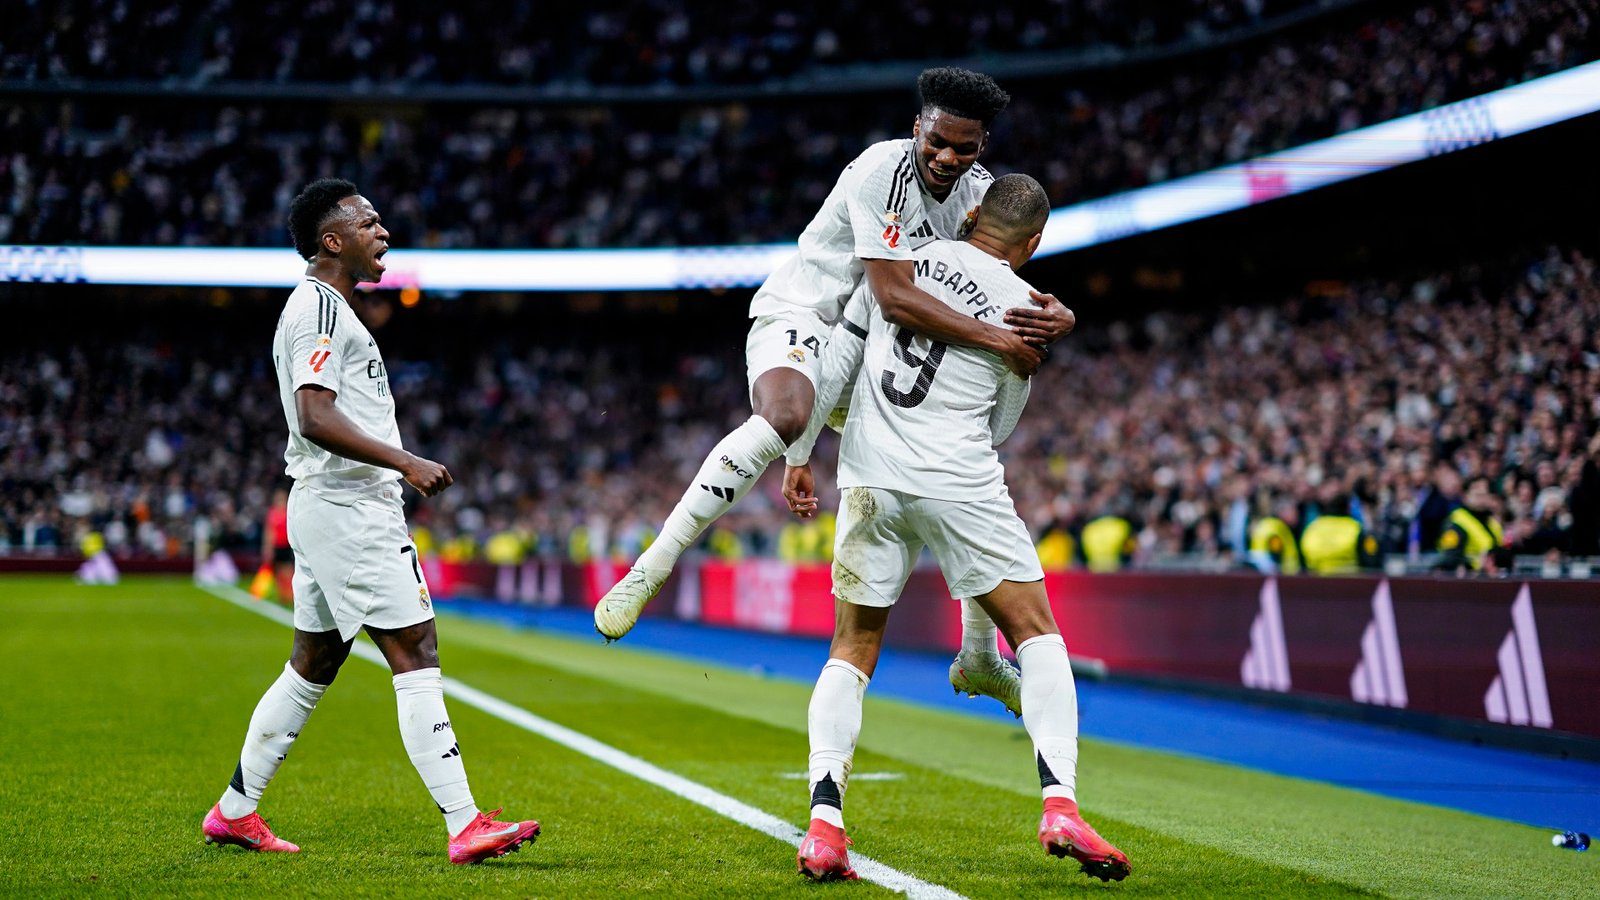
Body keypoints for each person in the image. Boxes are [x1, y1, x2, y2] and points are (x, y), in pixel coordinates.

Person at [593, 67, 1074, 713]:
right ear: (917, 128)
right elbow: (895, 295)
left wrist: (1060, 317)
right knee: (787, 418)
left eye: (964, 146)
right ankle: (651, 568)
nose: (947, 156)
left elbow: (991, 283)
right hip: (809, 315)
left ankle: (981, 657)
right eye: (937, 140)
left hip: (878, 352)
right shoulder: (883, 169)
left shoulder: (981, 197)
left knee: (963, 460)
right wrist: (997, 341)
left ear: (982, 145)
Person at [782, 174, 1129, 883]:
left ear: (972, 214)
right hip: (959, 481)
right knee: (1036, 633)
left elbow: (846, 356)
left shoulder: (904, 260)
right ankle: (1060, 804)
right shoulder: (1029, 312)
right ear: (1033, 243)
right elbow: (999, 426)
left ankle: (824, 823)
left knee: (852, 648)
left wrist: (801, 449)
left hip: (871, 478)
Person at [201, 179, 539, 864]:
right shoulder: (322, 312)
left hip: (331, 503)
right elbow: (315, 415)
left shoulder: (328, 309)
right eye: (369, 223)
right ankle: (465, 822)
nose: (383, 231)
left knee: (315, 660)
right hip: (350, 507)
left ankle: (235, 809)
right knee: (415, 649)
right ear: (333, 241)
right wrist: (406, 461)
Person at [1436, 475, 1507, 574]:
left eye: (1484, 493)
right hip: (1469, 579)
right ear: (1465, 496)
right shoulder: (1457, 520)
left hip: (1491, 576)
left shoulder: (1493, 522)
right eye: (1477, 493)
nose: (1481, 496)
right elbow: (1451, 556)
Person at [1299, 492, 1380, 575]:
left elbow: (1302, 558)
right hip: (1350, 581)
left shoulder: (1312, 527)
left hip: (1315, 581)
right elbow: (1370, 559)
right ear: (1348, 508)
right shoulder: (1356, 527)